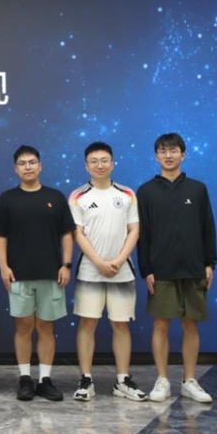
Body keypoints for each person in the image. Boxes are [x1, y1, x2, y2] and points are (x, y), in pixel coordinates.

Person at [0, 145, 74, 402]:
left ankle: (45, 380)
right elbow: (0, 236)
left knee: (47, 328)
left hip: (51, 274)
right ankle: (25, 378)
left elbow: (67, 234)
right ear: (16, 169)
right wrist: (3, 267)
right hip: (19, 275)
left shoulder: (55, 197)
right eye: (22, 163)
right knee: (23, 327)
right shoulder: (7, 199)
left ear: (40, 166)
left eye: (32, 162)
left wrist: (66, 265)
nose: (28, 167)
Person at [137, 133, 217, 403]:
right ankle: (162, 380)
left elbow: (208, 227)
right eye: (163, 151)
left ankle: (189, 380)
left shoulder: (198, 189)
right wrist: (146, 269)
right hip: (161, 270)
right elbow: (143, 234)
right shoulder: (146, 191)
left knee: (190, 325)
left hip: (194, 268)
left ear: (183, 154)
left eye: (173, 150)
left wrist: (209, 263)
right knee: (161, 325)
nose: (168, 155)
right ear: (156, 156)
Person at [68, 142, 147, 402]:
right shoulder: (77, 196)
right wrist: (99, 262)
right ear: (86, 166)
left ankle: (122, 380)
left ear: (112, 163)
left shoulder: (127, 194)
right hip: (90, 272)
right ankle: (86, 380)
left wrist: (119, 260)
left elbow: (134, 230)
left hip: (121, 272)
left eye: (104, 160)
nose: (99, 165)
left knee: (120, 324)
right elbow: (77, 233)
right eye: (94, 161)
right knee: (87, 323)